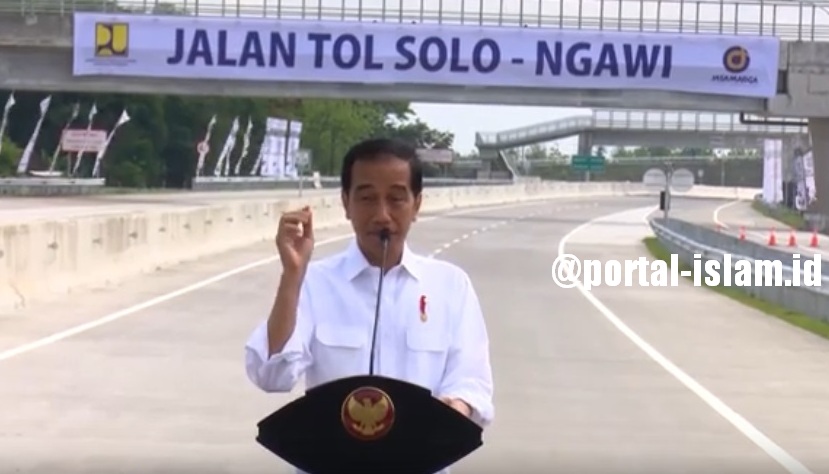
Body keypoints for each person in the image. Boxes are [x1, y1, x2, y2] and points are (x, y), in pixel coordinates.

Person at [244, 138, 494, 470]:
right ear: (346, 203)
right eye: (366, 198)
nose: (382, 215)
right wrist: (292, 275)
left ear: (417, 204)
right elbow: (271, 375)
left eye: (396, 198)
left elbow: (472, 381)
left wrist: (455, 408)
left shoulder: (450, 286)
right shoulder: (313, 282)